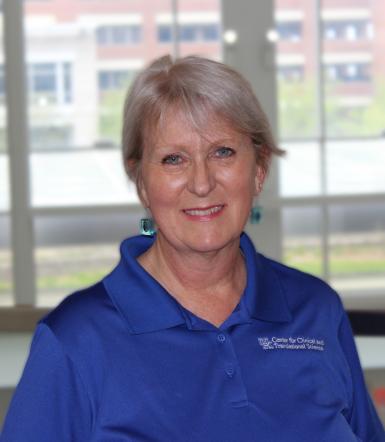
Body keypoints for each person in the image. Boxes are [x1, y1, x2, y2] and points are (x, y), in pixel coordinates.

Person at [1, 55, 384, 442]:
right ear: (141, 183)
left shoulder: (316, 309)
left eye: (222, 152)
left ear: (259, 169)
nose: (201, 183)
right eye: (173, 159)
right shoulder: (75, 340)